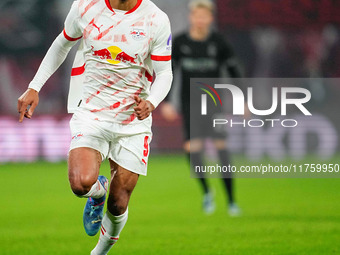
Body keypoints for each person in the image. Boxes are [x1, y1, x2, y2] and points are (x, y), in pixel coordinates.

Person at [17, 0, 172, 254]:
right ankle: (97, 194)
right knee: (80, 184)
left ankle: (98, 252)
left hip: (132, 119)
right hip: (92, 112)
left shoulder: (155, 19)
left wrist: (152, 102)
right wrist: (34, 86)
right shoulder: (85, 7)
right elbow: (61, 44)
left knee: (120, 202)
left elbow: (165, 73)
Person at [161, 0, 241, 216]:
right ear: (191, 17)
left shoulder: (219, 42)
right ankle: (207, 192)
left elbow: (234, 71)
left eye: (204, 16)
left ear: (210, 18)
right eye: (197, 15)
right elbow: (169, 73)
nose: (200, 19)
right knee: (192, 150)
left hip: (214, 104)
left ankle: (232, 201)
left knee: (221, 148)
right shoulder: (179, 42)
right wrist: (167, 101)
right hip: (190, 105)